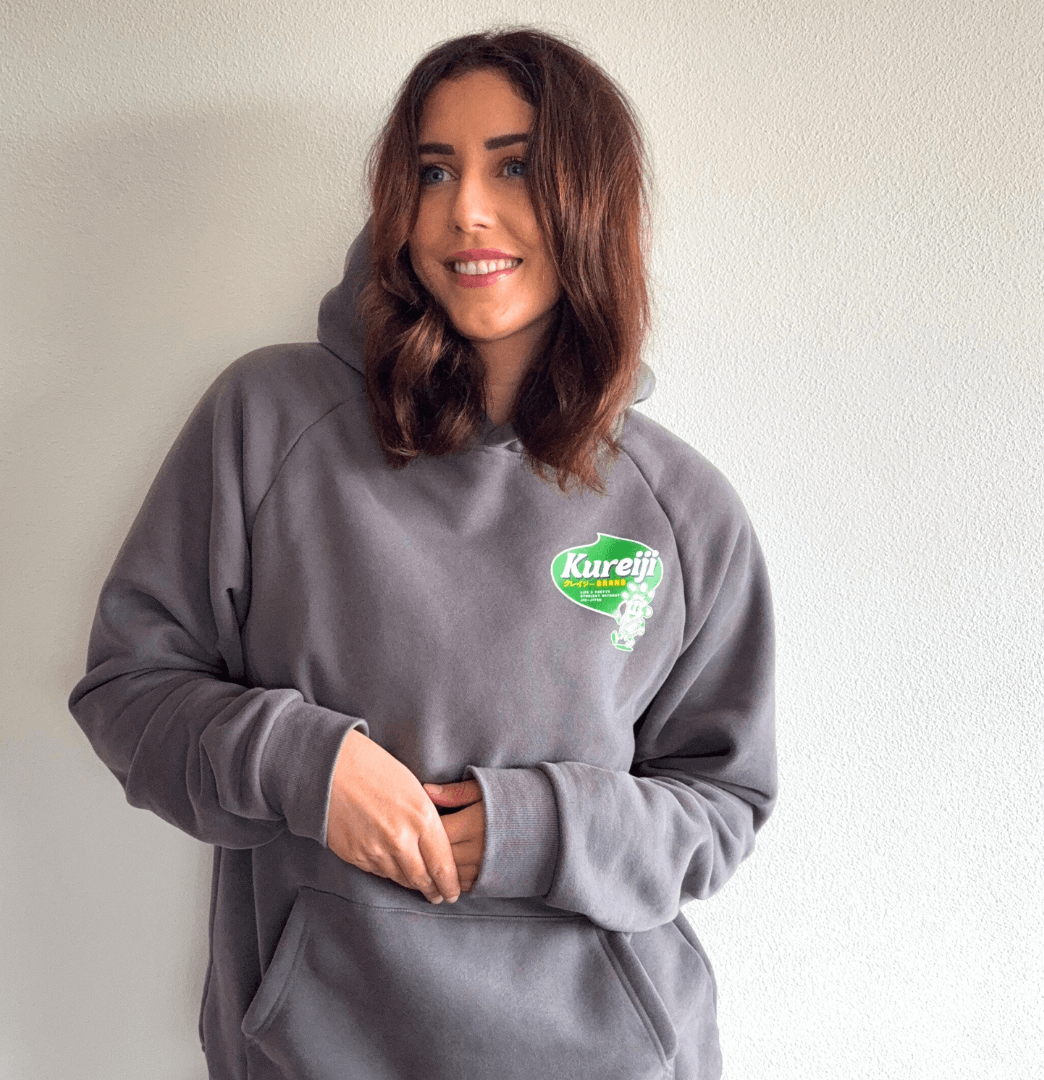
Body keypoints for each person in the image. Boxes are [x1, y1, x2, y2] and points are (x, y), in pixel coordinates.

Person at [69, 27, 776, 1080]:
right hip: (314, 1051)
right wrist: (305, 764)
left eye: (515, 167)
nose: (466, 210)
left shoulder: (683, 510)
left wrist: (540, 827)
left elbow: (723, 803)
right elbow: (128, 692)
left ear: (591, 199)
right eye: (435, 171)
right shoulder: (268, 421)